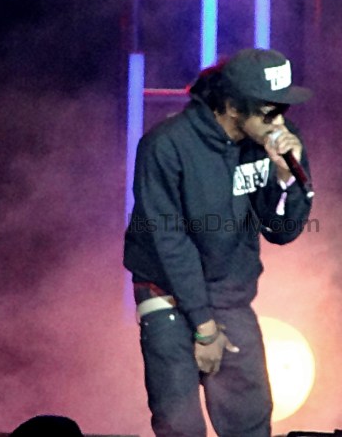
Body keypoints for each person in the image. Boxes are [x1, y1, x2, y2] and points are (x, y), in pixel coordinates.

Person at [123, 48, 315, 436]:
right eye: (269, 113)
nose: (280, 123)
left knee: (250, 421)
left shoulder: (274, 144)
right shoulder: (167, 145)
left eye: (284, 110)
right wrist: (204, 327)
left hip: (230, 295)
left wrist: (285, 180)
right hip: (168, 293)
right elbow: (170, 241)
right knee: (180, 424)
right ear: (232, 106)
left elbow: (281, 231)